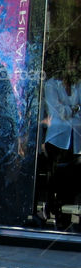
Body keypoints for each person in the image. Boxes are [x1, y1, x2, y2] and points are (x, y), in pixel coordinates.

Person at [40, 59, 80, 230]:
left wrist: (70, 109)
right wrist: (75, 109)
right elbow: (58, 111)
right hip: (57, 137)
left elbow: (67, 111)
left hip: (76, 138)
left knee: (71, 177)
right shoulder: (51, 85)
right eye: (71, 64)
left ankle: (65, 213)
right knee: (54, 176)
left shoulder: (78, 85)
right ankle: (52, 209)